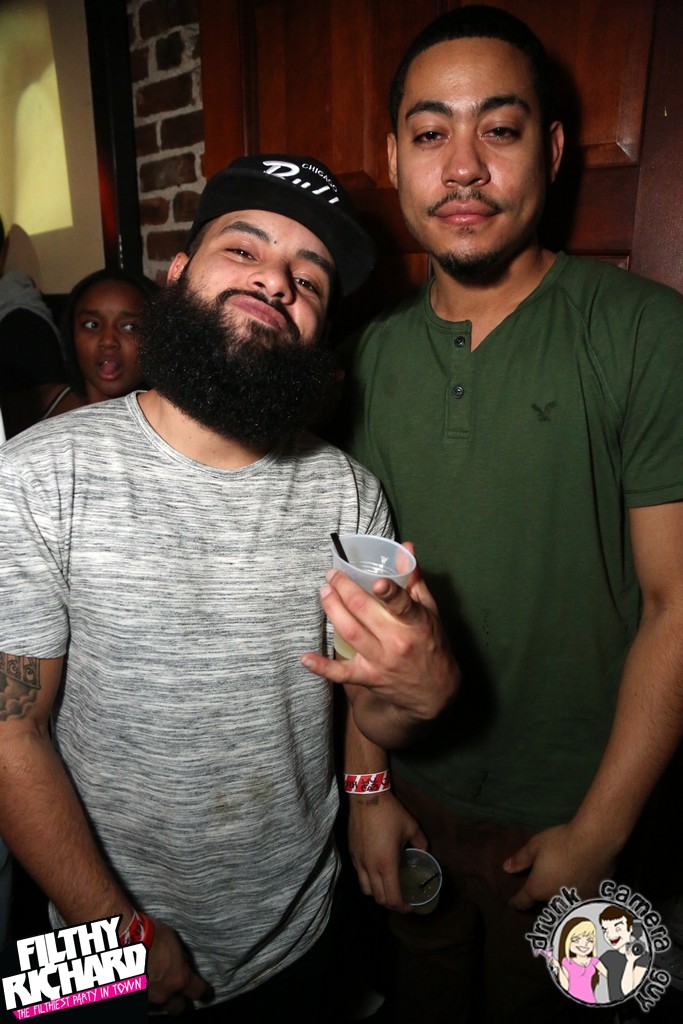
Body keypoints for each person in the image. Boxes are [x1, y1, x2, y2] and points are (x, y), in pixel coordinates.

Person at [0, 153, 458, 1022]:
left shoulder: (349, 494)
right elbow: (9, 731)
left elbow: (364, 692)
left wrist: (389, 751)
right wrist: (116, 931)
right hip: (93, 940)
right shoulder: (35, 475)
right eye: (243, 249)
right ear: (177, 275)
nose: (276, 280)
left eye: (307, 278)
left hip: (301, 929)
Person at [334, 5, 683, 1022]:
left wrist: (601, 833)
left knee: (613, 1011)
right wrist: (366, 788)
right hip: (418, 812)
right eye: (429, 133)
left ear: (553, 150)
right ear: (392, 159)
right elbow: (362, 593)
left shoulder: (647, 334)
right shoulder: (368, 356)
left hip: (593, 823)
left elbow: (675, 605)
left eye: (498, 128)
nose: (462, 167)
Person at [50, 268, 158, 416]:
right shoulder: (43, 406)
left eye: (129, 327)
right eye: (92, 325)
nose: (108, 341)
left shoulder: (174, 422)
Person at [599, 906, 650, 1002]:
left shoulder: (642, 957)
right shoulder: (608, 956)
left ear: (630, 929)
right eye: (605, 930)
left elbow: (627, 991)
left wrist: (630, 961)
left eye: (617, 929)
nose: (610, 935)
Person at [553, 917, 606, 1004]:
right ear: (567, 941)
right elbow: (565, 987)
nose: (584, 944)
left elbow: (610, 976)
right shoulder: (566, 962)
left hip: (590, 1001)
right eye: (576, 940)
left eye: (590, 940)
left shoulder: (594, 961)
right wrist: (558, 967)